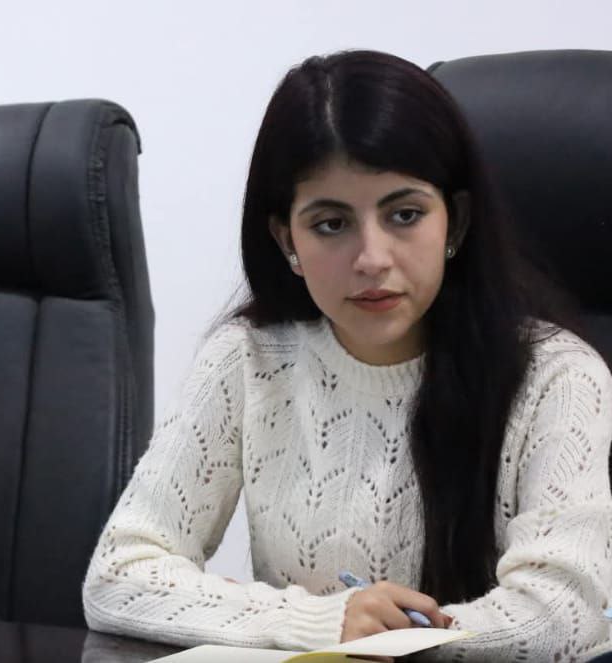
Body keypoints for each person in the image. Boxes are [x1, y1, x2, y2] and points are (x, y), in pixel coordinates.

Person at [83, 50, 612, 660]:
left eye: (405, 215)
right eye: (331, 224)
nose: (372, 259)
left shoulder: (557, 376)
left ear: (457, 223)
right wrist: (322, 620)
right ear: (287, 238)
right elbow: (119, 573)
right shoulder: (247, 362)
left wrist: (393, 636)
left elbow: (560, 618)